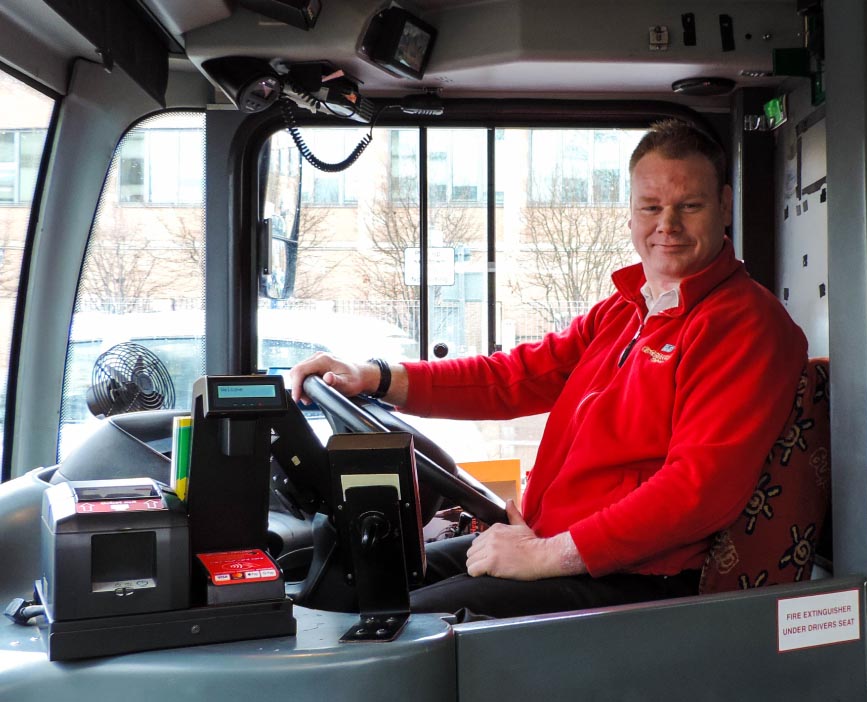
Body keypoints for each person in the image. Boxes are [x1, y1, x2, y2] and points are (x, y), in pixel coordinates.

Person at [289, 119, 807, 618]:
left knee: (398, 631)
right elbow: (511, 377)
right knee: (356, 582)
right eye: (651, 207)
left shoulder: (745, 325)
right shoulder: (625, 311)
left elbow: (698, 491)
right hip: (549, 543)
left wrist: (547, 555)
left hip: (635, 576)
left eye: (688, 206)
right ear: (629, 216)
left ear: (724, 206)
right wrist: (377, 377)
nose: (666, 225)